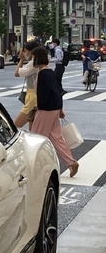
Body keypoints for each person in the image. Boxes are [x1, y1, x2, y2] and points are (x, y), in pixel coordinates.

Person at [30, 46, 79, 177]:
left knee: (36, 137)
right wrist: (60, 109)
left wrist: (38, 107)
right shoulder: (51, 72)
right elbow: (57, 91)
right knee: (56, 137)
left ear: (37, 59)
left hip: (45, 110)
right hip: (54, 108)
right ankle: (71, 162)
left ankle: (34, 166)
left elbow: (43, 94)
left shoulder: (42, 74)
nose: (32, 60)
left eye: (33, 57)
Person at [14, 41, 41, 128]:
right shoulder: (35, 62)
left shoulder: (33, 64)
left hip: (33, 96)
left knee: (15, 125)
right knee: (32, 127)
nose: (24, 53)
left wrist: (21, 59)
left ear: (31, 51)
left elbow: (17, 73)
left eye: (25, 51)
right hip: (33, 94)